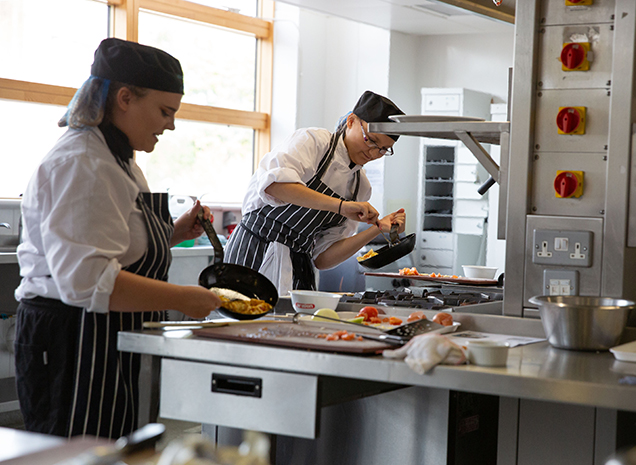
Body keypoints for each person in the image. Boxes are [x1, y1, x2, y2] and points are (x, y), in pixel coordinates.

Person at [14, 38, 221, 438]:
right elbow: (87, 281)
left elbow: (116, 243)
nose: (171, 125)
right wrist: (186, 298)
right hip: (73, 342)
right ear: (124, 97)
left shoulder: (118, 157)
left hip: (107, 337)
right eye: (165, 111)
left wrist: (176, 231)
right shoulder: (83, 163)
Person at [224, 90, 407, 295]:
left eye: (383, 149)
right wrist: (341, 206)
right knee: (244, 322)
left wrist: (376, 229)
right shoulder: (314, 142)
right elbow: (273, 186)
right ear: (351, 121)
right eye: (370, 140)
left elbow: (322, 258)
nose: (374, 153)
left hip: (298, 265)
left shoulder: (360, 187)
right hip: (254, 249)